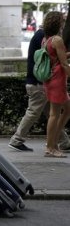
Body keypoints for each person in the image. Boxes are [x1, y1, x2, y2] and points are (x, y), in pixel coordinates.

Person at [9, 28, 70, 152]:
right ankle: (16, 140)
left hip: (38, 81)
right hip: (40, 82)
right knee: (34, 112)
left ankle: (63, 142)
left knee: (52, 114)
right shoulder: (46, 37)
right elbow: (55, 58)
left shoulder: (42, 36)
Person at [42, 11, 70, 158]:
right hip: (57, 80)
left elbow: (56, 57)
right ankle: (50, 147)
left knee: (67, 110)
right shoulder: (58, 40)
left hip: (51, 80)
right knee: (54, 114)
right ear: (58, 23)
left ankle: (54, 142)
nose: (64, 23)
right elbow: (64, 64)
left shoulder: (46, 39)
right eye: (62, 20)